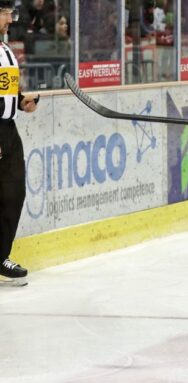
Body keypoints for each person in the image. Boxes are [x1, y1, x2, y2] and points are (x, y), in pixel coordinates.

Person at [0, 0, 39, 286]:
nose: (10, 20)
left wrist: (21, 99)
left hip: (8, 130)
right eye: (6, 14)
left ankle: (0, 256)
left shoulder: (4, 50)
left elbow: (5, 88)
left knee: (13, 193)